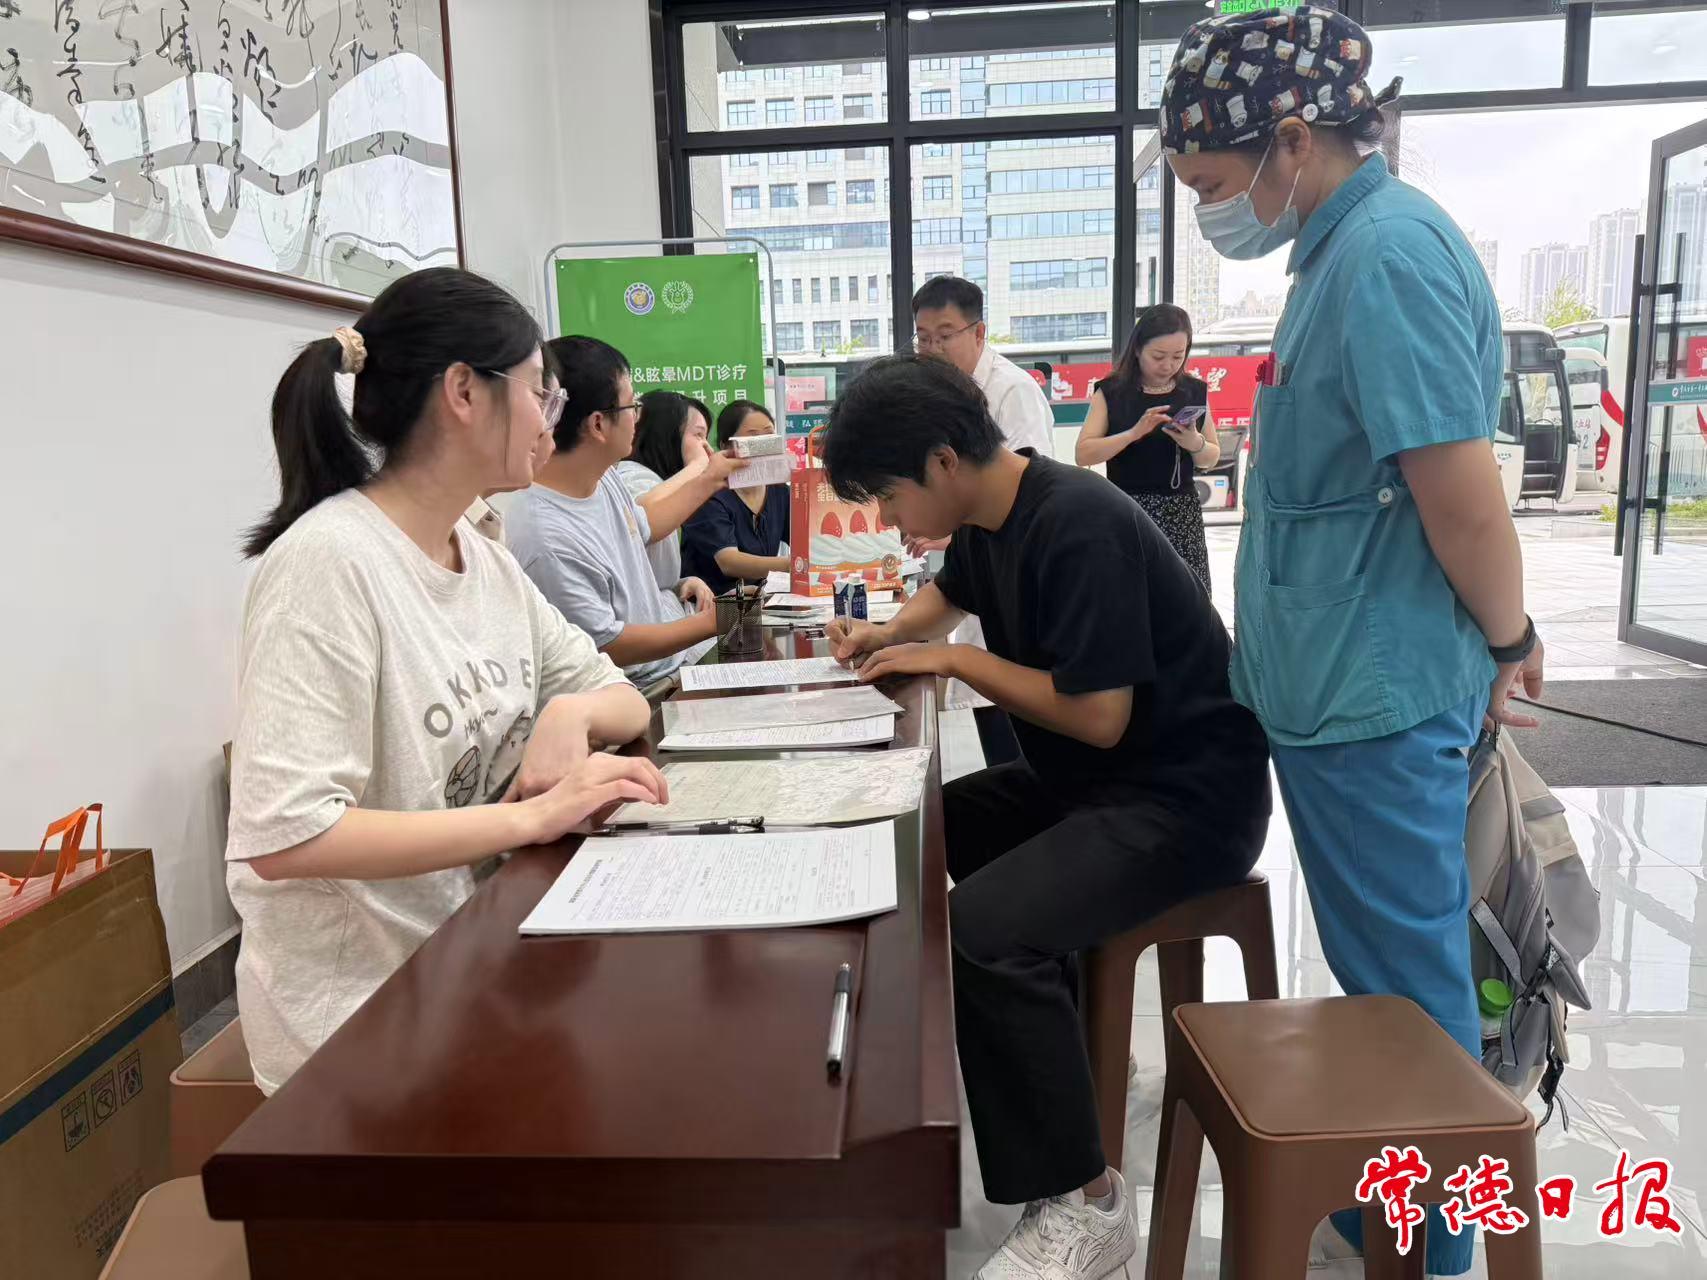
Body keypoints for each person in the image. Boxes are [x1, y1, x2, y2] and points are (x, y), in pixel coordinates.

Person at [1162, 9, 1545, 1274]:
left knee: (1408, 979)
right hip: (1335, 685)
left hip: (1375, 691)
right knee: (1378, 968)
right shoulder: (1334, 256)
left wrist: (1512, 635)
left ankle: (1431, 1246)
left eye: (1212, 184)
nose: (1214, 211)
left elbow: (1460, 497)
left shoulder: (1386, 256)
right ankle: (1389, 1197)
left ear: (1291, 139)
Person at [821, 356, 1270, 1280]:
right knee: (924, 829)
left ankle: (1084, 1199)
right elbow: (950, 594)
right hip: (1097, 783)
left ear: (942, 461)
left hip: (1188, 801)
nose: (891, 521)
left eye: (890, 496)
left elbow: (1097, 715)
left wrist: (957, 663)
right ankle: (1039, 1054)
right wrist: (888, 635)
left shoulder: (1078, 522)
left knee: (983, 932)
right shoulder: (991, 515)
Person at [226, 268, 667, 1095]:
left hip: (474, 963)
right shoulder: (329, 562)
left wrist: (569, 713)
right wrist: (530, 817)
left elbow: (621, 696)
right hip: (364, 1025)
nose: (547, 419)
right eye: (539, 392)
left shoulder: (483, 559)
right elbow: (287, 837)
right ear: (464, 391)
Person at [507, 337, 728, 688]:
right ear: (598, 424)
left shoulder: (601, 474)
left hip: (672, 661)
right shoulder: (546, 540)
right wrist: (710, 623)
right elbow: (608, 644)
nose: (637, 417)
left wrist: (711, 478)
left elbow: (644, 526)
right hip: (642, 689)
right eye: (631, 406)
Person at [912, 275, 1055, 767]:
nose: (933, 348)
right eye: (923, 337)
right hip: (978, 572)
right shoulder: (941, 395)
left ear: (978, 332)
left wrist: (946, 529)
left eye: (944, 335)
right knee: (993, 719)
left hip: (1015, 573)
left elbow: (1023, 496)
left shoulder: (1012, 391)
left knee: (1019, 734)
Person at [1075, 304, 1219, 593]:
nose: (1168, 366)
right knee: (1129, 596)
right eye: (1158, 356)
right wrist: (1133, 434)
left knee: (1186, 599)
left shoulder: (1193, 391)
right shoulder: (1112, 392)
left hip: (1181, 513)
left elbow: (1211, 457)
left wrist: (1194, 443)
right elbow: (1084, 454)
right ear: (1138, 349)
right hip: (1127, 510)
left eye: (1178, 356)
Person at [615, 390, 725, 590]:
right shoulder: (634, 476)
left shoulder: (658, 481)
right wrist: (698, 466)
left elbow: (652, 578)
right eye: (698, 435)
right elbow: (641, 519)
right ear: (667, 434)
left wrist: (680, 585)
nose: (707, 448)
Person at [681, 400, 790, 597]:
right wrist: (791, 565)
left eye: (769, 435)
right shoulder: (710, 493)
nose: (763, 446)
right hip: (712, 605)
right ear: (725, 446)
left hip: (759, 602)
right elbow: (728, 561)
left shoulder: (779, 490)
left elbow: (804, 539)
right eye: (752, 438)